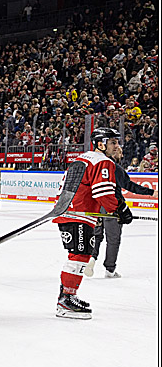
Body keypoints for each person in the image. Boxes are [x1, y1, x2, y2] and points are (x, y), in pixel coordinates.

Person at [51, 127, 132, 318]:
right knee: (79, 256)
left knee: (79, 255)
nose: (117, 146)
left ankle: (67, 297)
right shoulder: (103, 162)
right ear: (101, 144)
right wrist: (120, 209)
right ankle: (65, 301)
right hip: (78, 214)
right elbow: (103, 193)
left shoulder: (82, 158)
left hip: (69, 212)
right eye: (113, 142)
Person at [86, 155, 157, 278]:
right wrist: (151, 192)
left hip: (96, 206)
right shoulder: (114, 168)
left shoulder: (94, 166)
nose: (121, 154)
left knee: (96, 235)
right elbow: (130, 186)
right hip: (112, 206)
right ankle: (110, 269)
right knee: (113, 239)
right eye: (118, 150)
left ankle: (92, 258)